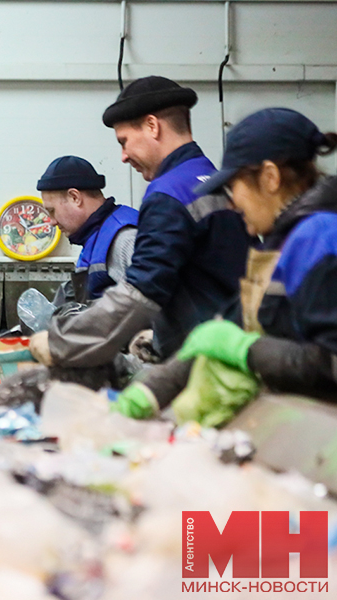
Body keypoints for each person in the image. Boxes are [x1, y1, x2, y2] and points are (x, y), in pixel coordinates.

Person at [113, 108, 337, 419]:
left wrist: (246, 350)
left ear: (270, 178)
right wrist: (152, 390)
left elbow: (331, 363)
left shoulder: (320, 237)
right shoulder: (276, 245)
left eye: (234, 188)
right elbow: (225, 330)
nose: (231, 203)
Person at [29, 76, 252, 367]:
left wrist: (65, 342)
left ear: (152, 126)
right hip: (235, 346)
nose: (123, 157)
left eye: (124, 142)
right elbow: (205, 280)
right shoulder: (210, 179)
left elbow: (142, 290)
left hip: (207, 362)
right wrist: (158, 338)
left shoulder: (168, 193)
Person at [36, 155, 138, 305]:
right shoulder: (95, 239)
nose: (51, 222)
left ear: (75, 197)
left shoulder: (125, 239)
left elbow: (152, 307)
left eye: (52, 211)